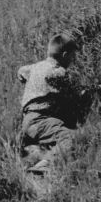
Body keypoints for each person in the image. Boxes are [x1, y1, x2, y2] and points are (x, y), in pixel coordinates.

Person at [17, 32, 82, 175]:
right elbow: (75, 95)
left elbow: (21, 71)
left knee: (55, 133)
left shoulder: (34, 67)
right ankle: (45, 165)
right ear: (65, 55)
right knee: (69, 138)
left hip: (27, 120)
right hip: (41, 120)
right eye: (72, 56)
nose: (73, 60)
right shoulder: (58, 72)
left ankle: (35, 155)